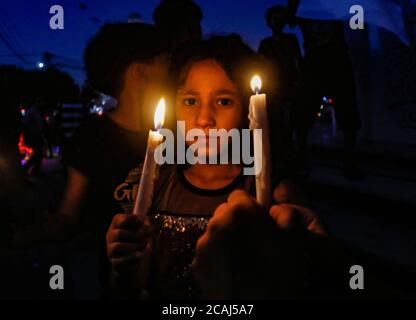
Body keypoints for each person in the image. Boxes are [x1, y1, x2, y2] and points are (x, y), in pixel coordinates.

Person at [105, 35, 322, 299]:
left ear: (248, 112)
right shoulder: (156, 186)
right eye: (190, 101)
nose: (204, 119)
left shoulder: (276, 196)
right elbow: (129, 290)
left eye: (223, 101)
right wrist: (123, 267)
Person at [13, 23, 170, 246]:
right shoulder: (90, 139)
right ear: (141, 72)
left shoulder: (176, 133)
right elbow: (69, 217)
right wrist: (31, 231)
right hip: (115, 270)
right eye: (167, 63)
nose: (175, 72)